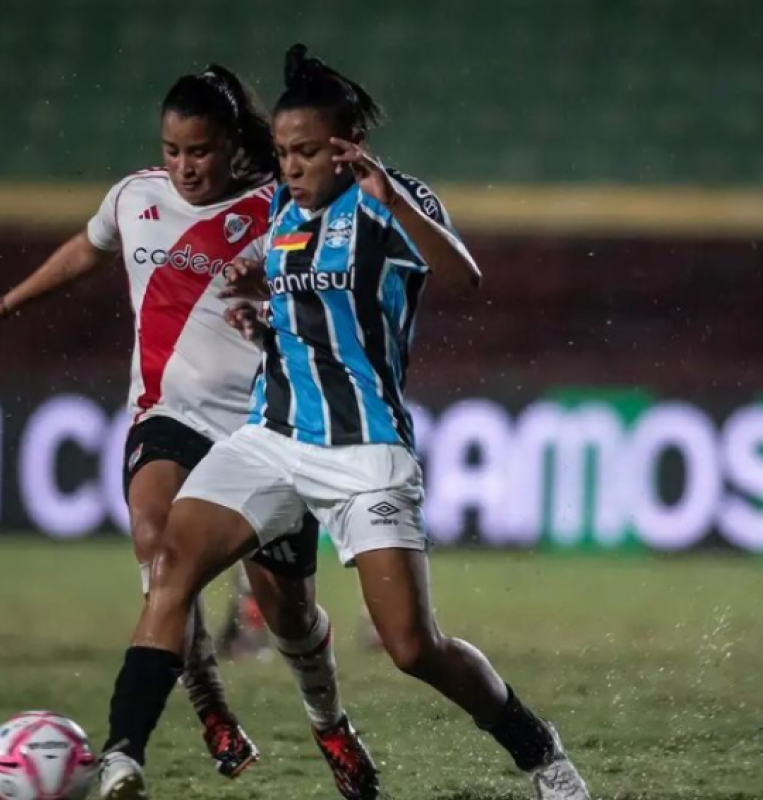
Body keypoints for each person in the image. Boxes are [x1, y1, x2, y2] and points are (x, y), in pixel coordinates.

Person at [96, 45, 592, 800]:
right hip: (271, 438)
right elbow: (284, 278)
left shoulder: (389, 204)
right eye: (284, 152)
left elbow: (464, 276)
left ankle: (539, 749)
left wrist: (390, 196)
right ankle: (122, 758)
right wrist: (251, 292)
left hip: (363, 449)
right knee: (170, 564)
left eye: (305, 152)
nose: (289, 166)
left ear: (346, 144)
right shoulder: (286, 212)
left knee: (411, 647)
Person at [0, 65, 377, 797]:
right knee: (158, 555)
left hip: (264, 429)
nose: (184, 167)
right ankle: (202, 714)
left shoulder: (278, 205)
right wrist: (8, 303)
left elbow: (327, 281)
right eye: (173, 151)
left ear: (230, 147)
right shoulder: (134, 197)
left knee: (292, 616)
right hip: (166, 416)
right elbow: (89, 247)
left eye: (200, 152)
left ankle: (329, 721)